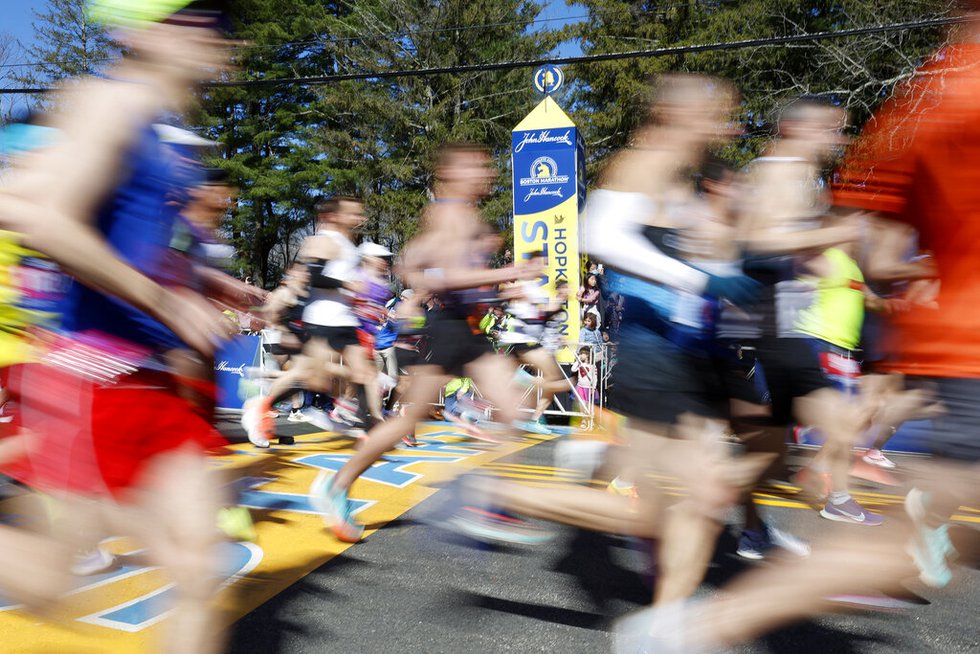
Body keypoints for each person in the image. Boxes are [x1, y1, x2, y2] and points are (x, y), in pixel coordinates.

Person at [309, 143, 542, 542]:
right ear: (452, 172)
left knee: (510, 411)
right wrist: (509, 270)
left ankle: (487, 499)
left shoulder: (460, 214)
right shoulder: (451, 212)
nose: (488, 173)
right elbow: (448, 276)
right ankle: (337, 484)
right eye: (478, 166)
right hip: (448, 329)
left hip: (467, 329)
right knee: (407, 419)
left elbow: (420, 262)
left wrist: (495, 290)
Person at [241, 196, 381, 446]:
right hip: (321, 320)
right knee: (311, 379)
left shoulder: (348, 242)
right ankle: (260, 407)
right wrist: (346, 284)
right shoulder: (322, 240)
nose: (359, 218)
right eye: (353, 213)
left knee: (365, 374)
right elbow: (314, 278)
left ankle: (369, 427)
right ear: (335, 216)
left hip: (345, 321)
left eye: (360, 213)